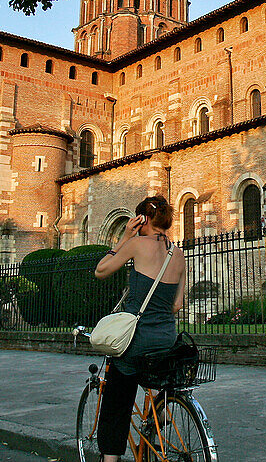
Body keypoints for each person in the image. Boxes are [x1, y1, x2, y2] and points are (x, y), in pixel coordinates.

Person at [93, 195, 187, 461]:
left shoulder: (136, 244)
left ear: (143, 219)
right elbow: (177, 305)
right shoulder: (178, 254)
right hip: (167, 339)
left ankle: (110, 458)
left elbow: (101, 270)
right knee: (152, 369)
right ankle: (159, 412)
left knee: (116, 401)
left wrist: (124, 237)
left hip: (137, 339)